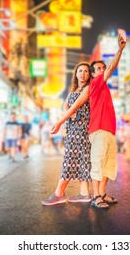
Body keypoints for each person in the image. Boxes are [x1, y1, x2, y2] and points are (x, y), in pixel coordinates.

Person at [51, 33, 127, 209]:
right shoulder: (95, 84)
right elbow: (74, 104)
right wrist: (120, 50)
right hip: (96, 129)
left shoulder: (102, 88)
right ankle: (95, 196)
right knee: (95, 162)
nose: (103, 70)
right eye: (98, 69)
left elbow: (73, 104)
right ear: (94, 74)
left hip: (109, 130)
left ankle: (100, 193)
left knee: (108, 164)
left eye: (103, 68)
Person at [42, 62, 93, 205]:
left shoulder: (88, 88)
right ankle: (84, 193)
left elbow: (74, 106)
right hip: (73, 128)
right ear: (76, 74)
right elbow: (66, 105)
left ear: (89, 75)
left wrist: (60, 122)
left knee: (69, 159)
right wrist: (68, 113)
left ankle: (59, 194)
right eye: (80, 71)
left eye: (85, 71)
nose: (82, 73)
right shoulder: (74, 90)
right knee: (82, 159)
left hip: (81, 128)